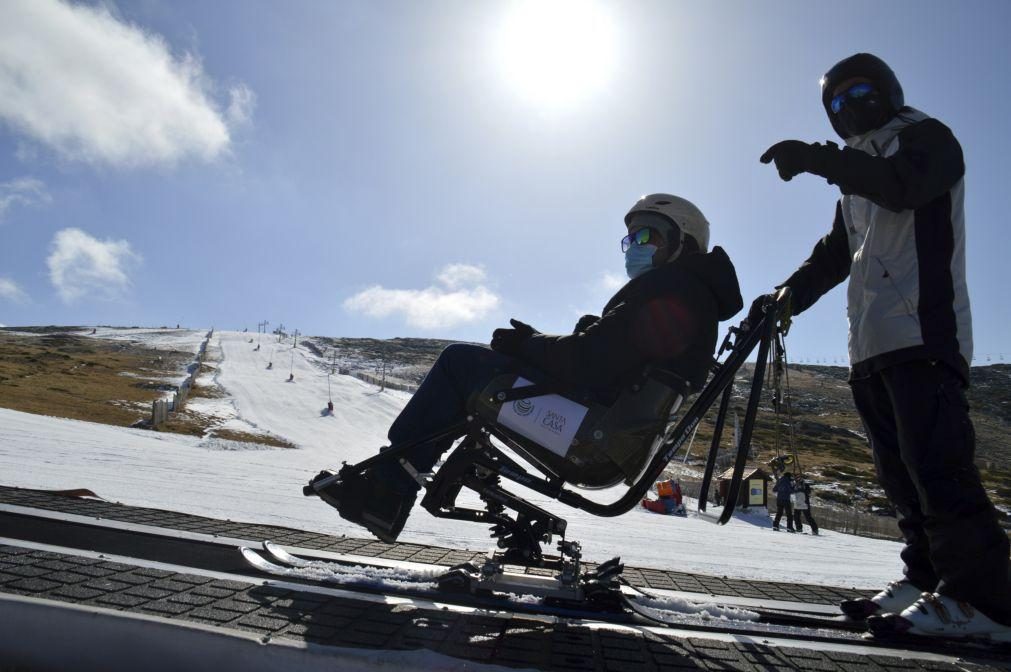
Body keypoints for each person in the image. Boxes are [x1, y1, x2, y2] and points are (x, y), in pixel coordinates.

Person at [309, 193, 743, 543]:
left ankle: (385, 493)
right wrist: (535, 347)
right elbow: (611, 355)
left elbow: (592, 362)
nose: (636, 246)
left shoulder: (674, 289)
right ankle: (392, 486)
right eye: (630, 239)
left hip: (594, 440)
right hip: (606, 435)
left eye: (648, 234)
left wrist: (527, 344)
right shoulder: (687, 294)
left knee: (460, 364)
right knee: (488, 371)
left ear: (683, 243)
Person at [756, 52, 1010, 638]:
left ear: (889, 90)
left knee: (938, 469)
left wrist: (822, 160)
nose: (849, 106)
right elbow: (835, 253)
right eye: (837, 103)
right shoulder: (856, 175)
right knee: (901, 476)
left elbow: (906, 187)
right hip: (870, 344)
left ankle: (986, 603)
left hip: (924, 332)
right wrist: (785, 297)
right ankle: (925, 579)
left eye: (860, 92)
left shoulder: (926, 138)